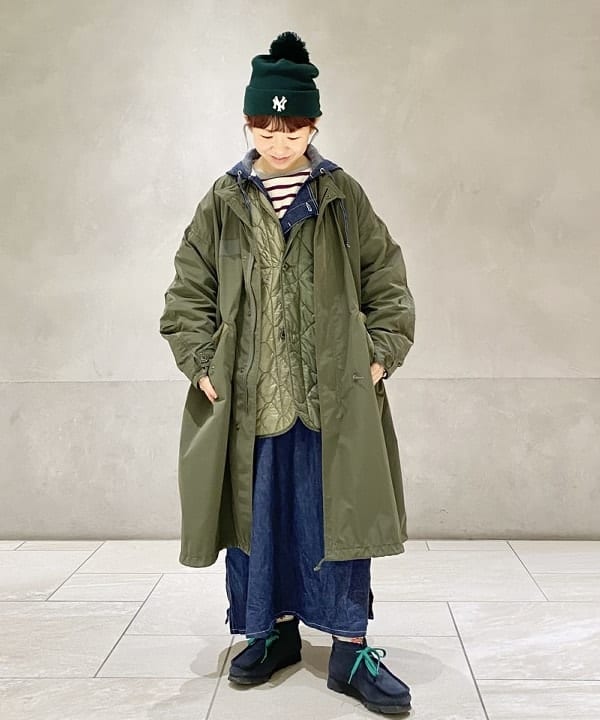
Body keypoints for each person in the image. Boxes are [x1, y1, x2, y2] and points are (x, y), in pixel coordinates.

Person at [159, 31, 416, 715]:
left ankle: (351, 650)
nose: (279, 141)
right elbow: (188, 293)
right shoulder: (224, 201)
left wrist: (379, 354)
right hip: (250, 401)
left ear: (314, 125)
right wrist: (201, 363)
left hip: (333, 400)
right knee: (258, 522)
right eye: (266, 127)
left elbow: (387, 281)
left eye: (294, 127)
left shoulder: (341, 197)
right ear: (249, 124)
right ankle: (270, 634)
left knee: (338, 521)